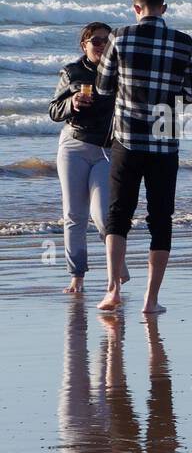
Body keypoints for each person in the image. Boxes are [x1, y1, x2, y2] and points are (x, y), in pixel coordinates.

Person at [94, 0, 192, 317]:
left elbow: (102, 86)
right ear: (164, 8)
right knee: (161, 219)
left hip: (126, 140)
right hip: (164, 142)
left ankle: (113, 290)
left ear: (136, 8)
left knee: (118, 215)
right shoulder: (183, 42)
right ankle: (150, 300)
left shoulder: (120, 36)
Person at [49, 22, 125, 295]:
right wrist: (72, 104)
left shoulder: (120, 72)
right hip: (74, 146)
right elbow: (54, 110)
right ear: (84, 45)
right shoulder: (72, 72)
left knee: (104, 215)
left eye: (107, 40)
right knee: (74, 215)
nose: (102, 45)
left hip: (107, 149)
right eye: (96, 41)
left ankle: (116, 267)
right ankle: (76, 276)